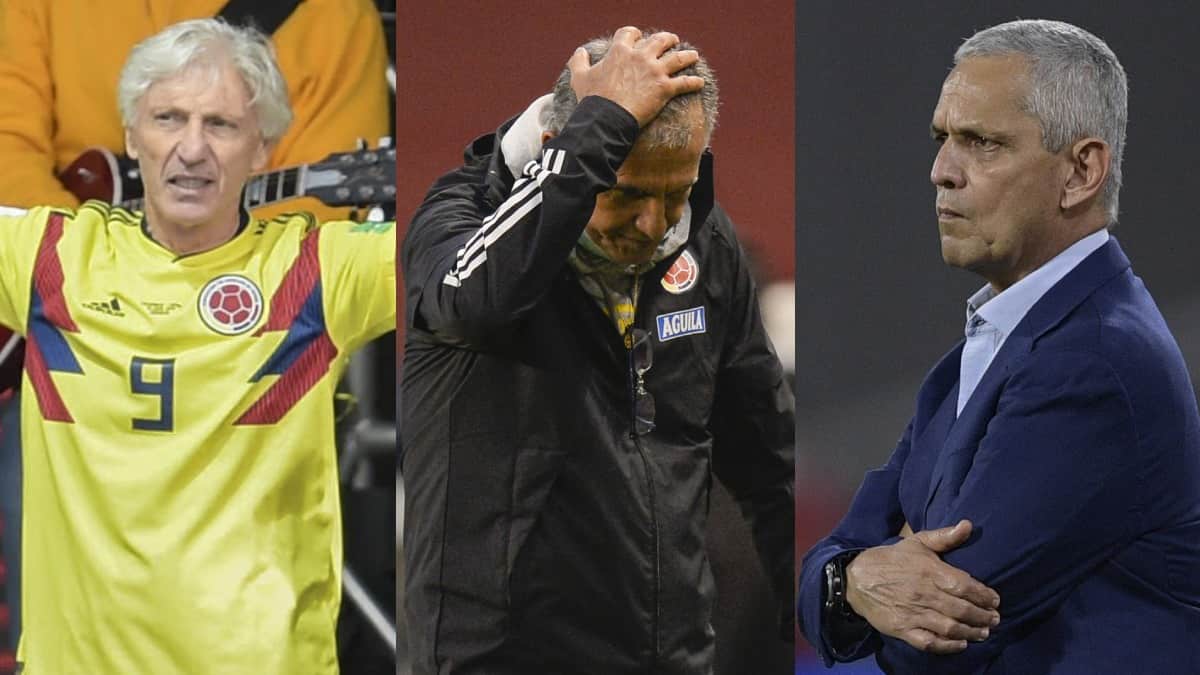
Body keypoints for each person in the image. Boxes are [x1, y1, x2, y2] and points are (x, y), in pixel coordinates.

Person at [797, 19, 1200, 674]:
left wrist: (857, 578)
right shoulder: (971, 360)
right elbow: (834, 557)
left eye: (981, 143)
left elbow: (930, 643)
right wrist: (857, 578)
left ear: (1081, 171)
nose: (941, 172)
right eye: (942, 139)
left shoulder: (1094, 363)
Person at [0, 19, 395, 673]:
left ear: (263, 147)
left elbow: (466, 251)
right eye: (168, 118)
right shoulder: (50, 259)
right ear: (131, 135)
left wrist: (542, 138)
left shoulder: (321, 273)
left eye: (221, 125)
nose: (191, 148)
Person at [400, 26, 794, 674]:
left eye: (677, 191)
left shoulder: (707, 244)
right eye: (627, 193)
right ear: (566, 153)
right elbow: (477, 300)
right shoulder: (462, 213)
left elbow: (769, 460)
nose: (654, 223)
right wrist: (601, 124)